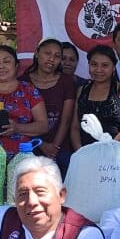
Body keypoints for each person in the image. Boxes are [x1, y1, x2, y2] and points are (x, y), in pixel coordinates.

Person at [22, 38, 76, 173]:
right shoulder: (23, 82)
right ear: (37, 53)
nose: (52, 59)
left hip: (60, 148)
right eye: (47, 53)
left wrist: (53, 148)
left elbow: (66, 120)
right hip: (28, 148)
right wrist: (41, 144)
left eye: (57, 56)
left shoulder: (67, 81)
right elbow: (20, 120)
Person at [71, 45, 120, 148]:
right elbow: (75, 126)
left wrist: (107, 151)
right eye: (94, 64)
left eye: (105, 65)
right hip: (85, 155)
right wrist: (80, 152)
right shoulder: (81, 90)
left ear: (113, 67)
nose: (99, 69)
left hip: (114, 155)